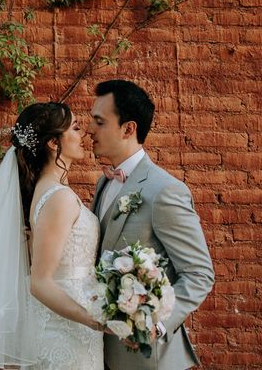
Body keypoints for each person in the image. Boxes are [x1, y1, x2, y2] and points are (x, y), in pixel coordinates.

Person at [0, 102, 104, 369]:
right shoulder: (59, 199)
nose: (84, 135)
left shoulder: (48, 192)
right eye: (76, 128)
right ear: (54, 143)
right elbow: (40, 282)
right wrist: (95, 319)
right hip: (66, 332)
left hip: (69, 327)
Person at [87, 79, 214, 370]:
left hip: (149, 359)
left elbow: (199, 273)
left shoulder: (164, 191)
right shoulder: (103, 183)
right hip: (100, 353)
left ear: (128, 128)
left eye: (99, 121)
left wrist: (154, 325)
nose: (90, 129)